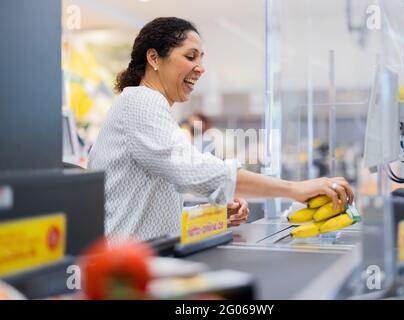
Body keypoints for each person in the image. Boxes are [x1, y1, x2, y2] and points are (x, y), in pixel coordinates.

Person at [88, 17, 354, 241]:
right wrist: (293, 189)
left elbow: (151, 215)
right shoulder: (140, 101)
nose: (200, 68)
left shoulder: (149, 107)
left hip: (144, 264)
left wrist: (214, 215)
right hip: (122, 275)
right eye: (190, 56)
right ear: (154, 58)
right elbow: (192, 169)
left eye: (201, 58)